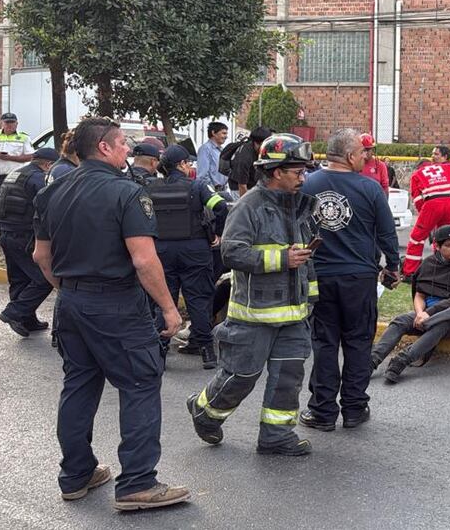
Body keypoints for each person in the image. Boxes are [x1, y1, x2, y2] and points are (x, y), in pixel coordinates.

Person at [32, 117, 189, 511]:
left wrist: (69, 290)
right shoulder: (127, 192)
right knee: (140, 383)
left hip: (71, 303)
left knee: (79, 384)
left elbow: (40, 256)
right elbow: (144, 260)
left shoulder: (53, 191)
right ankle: (137, 483)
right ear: (104, 147)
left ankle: (76, 474)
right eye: (122, 144)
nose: (127, 150)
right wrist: (170, 309)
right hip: (117, 306)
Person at [186, 134, 319, 457]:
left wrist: (311, 299)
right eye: (297, 172)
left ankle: (276, 436)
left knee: (288, 378)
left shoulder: (298, 207)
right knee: (241, 376)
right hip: (254, 316)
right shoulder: (249, 206)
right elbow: (231, 253)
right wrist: (282, 259)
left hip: (294, 316)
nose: (303, 178)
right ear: (276, 172)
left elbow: (305, 260)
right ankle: (205, 411)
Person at [298, 129, 401, 432]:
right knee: (358, 342)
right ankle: (354, 408)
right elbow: (386, 233)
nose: (365, 157)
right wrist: (393, 266)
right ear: (349, 155)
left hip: (320, 277)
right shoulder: (370, 188)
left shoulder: (308, 184)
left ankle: (322, 411)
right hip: (359, 279)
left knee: (324, 343)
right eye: (361, 152)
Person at [148, 144, 228, 369]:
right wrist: (217, 233)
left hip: (162, 251)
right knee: (199, 300)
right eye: (188, 162)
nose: (190, 166)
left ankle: (160, 352)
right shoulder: (198, 186)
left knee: (164, 301)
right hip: (195, 251)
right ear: (181, 164)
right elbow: (221, 207)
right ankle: (206, 352)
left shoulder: (150, 188)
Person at [371, 224, 450, 384]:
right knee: (400, 321)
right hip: (428, 312)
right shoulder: (428, 263)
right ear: (438, 246)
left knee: (440, 324)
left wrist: (429, 313)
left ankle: (401, 361)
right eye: (449, 245)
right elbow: (420, 294)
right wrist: (420, 312)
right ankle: (372, 360)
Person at [0, 147, 58, 337]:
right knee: (44, 279)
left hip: (6, 233)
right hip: (24, 235)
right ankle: (14, 313)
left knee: (20, 278)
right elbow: (46, 206)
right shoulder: (38, 178)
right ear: (48, 164)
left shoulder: (15, 173)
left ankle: (26, 320)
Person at [403, 145, 450, 276]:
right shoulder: (446, 167)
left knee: (417, 238)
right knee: (447, 237)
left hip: (432, 203)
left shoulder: (416, 175)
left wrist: (425, 216)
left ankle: (410, 270)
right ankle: (447, 268)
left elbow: (418, 200)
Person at [0, 112, 33, 209]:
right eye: (7, 122)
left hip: (15, 177)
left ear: (17, 123)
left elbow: (30, 156)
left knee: (14, 205)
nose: (9, 125)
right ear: (2, 123)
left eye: (12, 122)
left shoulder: (24, 137)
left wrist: (9, 158)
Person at [227, 125, 272, 196]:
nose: (263, 148)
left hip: (253, 185)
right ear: (254, 142)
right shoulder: (244, 157)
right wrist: (246, 201)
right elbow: (242, 185)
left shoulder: (264, 150)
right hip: (239, 189)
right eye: (260, 144)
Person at [196, 121, 229, 189]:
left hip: (222, 189)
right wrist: (211, 189)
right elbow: (202, 175)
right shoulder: (205, 149)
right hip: (213, 190)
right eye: (223, 133)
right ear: (213, 133)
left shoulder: (221, 150)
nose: (226, 136)